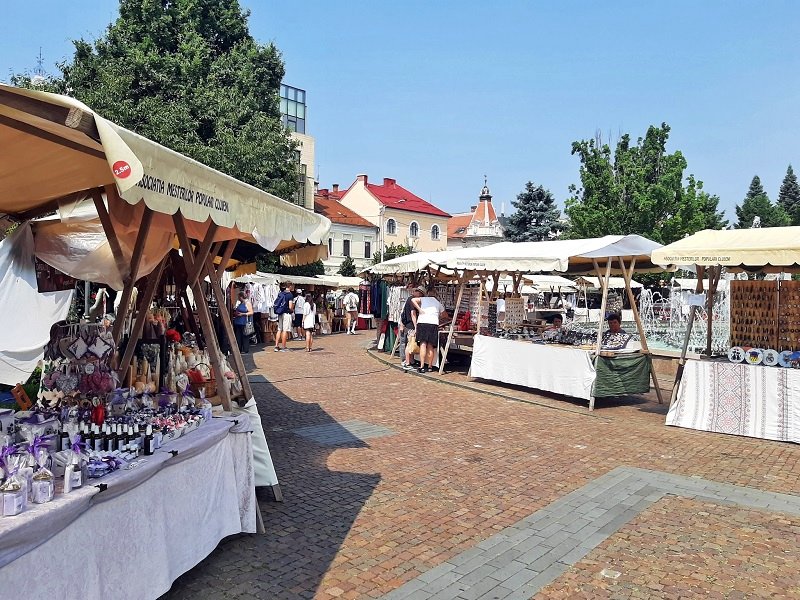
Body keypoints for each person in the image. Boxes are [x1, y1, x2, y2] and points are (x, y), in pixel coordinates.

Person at [411, 289, 449, 374]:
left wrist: (419, 309)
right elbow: (445, 315)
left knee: (423, 344)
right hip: (433, 324)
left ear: (427, 294)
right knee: (431, 346)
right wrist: (438, 316)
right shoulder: (438, 303)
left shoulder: (423, 299)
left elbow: (413, 300)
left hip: (422, 323)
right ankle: (430, 366)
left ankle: (421, 366)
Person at [399, 284, 424, 371]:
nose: (421, 296)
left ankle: (410, 361)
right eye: (421, 294)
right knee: (410, 344)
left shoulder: (409, 299)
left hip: (407, 323)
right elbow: (413, 314)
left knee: (409, 343)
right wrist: (416, 326)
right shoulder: (412, 300)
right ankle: (407, 362)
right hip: (410, 324)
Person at [273, 283, 295, 352]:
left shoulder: (281, 293)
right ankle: (284, 347)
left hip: (280, 313)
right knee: (285, 330)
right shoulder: (290, 295)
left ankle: (276, 346)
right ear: (290, 286)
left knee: (279, 329)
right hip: (286, 314)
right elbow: (290, 306)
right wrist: (292, 309)